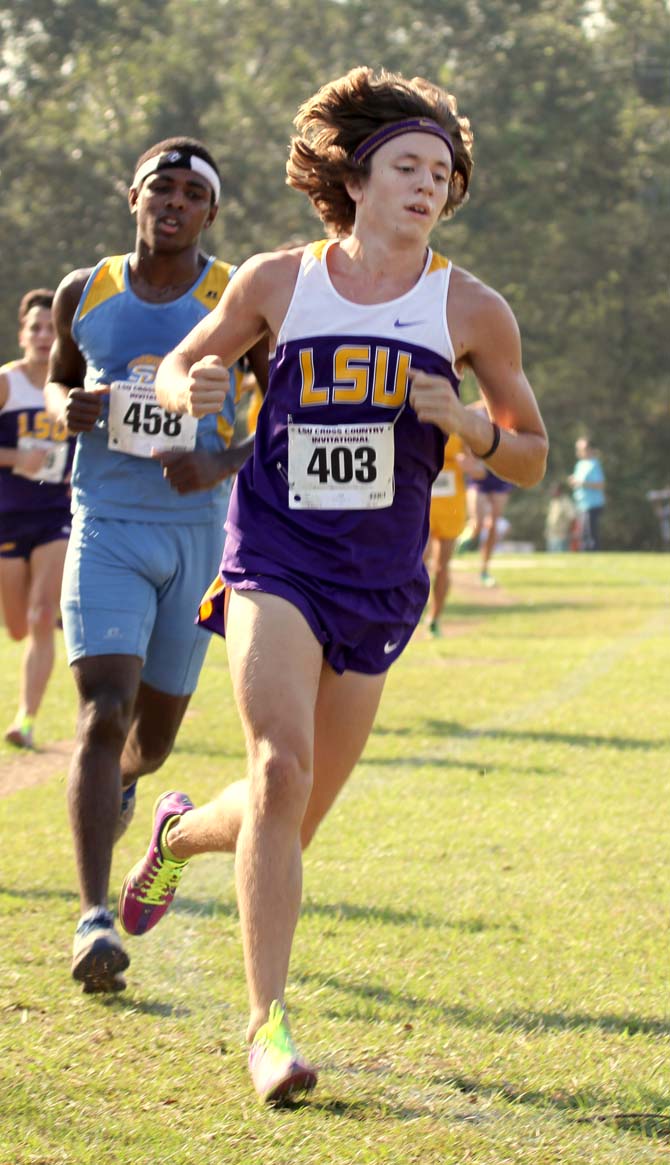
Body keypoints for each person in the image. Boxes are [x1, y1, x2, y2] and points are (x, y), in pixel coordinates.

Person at [118, 67, 548, 1103]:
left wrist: (466, 424)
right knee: (279, 765)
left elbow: (529, 453)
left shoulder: (472, 307)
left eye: (441, 173)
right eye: (405, 165)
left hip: (382, 582)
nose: (426, 185)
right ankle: (266, 1027)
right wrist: (199, 382)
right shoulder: (278, 279)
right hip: (274, 556)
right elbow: (176, 370)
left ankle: (177, 832)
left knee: (288, 818)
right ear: (354, 179)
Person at [44, 137, 265, 995]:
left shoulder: (235, 297)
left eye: (190, 193)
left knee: (153, 740)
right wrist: (74, 406)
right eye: (158, 188)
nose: (172, 203)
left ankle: (133, 787)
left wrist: (218, 462)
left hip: (198, 534)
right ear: (131, 198)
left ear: (211, 212)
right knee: (103, 708)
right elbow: (63, 387)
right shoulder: (85, 292)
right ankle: (94, 917)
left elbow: (276, 418)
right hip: (106, 523)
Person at [0, 289, 74, 749]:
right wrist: (15, 458)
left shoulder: (69, 385)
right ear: (23, 333)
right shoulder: (8, 383)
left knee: (42, 614)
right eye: (36, 328)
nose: (44, 336)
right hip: (8, 517)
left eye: (52, 328)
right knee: (17, 626)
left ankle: (25, 719)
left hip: (56, 515)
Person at [424, 432, 483, 634]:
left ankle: (434, 617)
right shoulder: (417, 424)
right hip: (423, 503)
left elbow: (480, 472)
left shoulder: (460, 430)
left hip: (451, 506)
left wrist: (468, 465)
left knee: (441, 566)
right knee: (419, 559)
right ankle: (411, 610)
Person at [569, 436, 605, 550]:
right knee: (583, 533)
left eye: (582, 449)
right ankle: (585, 557)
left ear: (589, 449)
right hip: (581, 504)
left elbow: (600, 485)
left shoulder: (594, 464)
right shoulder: (579, 464)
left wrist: (582, 483)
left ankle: (594, 555)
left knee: (590, 533)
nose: (579, 451)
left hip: (592, 504)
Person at [544, 481, 576, 552]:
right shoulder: (553, 502)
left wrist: (570, 532)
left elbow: (573, 518)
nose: (551, 492)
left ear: (559, 491)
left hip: (562, 536)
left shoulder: (566, 501)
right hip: (551, 536)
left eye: (554, 490)